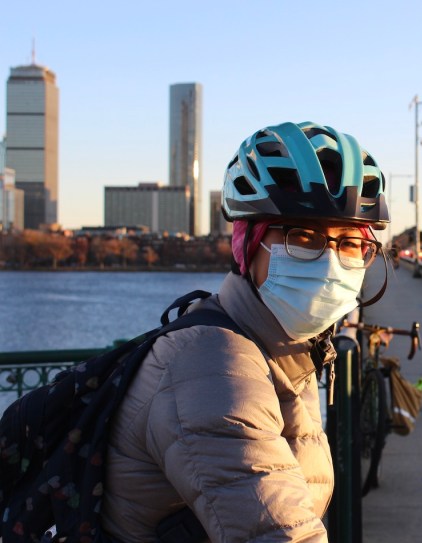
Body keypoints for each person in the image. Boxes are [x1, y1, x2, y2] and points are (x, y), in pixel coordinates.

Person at [102, 122, 390, 542]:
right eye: (303, 237)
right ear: (247, 246)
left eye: (349, 242)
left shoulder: (283, 346)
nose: (330, 263)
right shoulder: (214, 366)